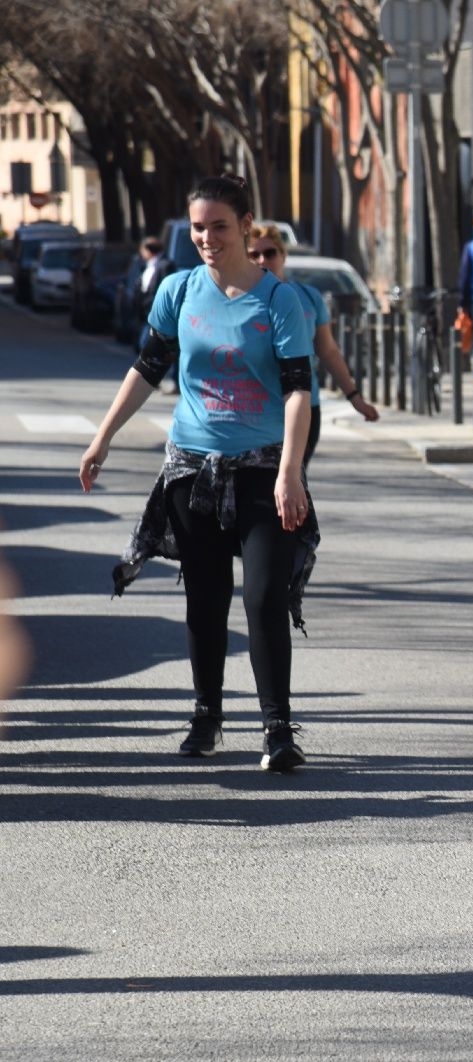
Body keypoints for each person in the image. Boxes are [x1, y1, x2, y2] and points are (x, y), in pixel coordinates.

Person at [79, 175, 318, 773]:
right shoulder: (179, 290)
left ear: (245, 224)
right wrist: (101, 437)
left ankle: (278, 729)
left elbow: (297, 393)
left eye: (218, 225)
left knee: (265, 596)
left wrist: (291, 472)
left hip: (263, 469)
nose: (207, 238)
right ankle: (206, 715)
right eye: (198, 228)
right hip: (191, 469)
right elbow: (147, 368)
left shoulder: (277, 300)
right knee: (206, 598)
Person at [246, 224, 380, 462]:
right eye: (254, 254)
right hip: (257, 410)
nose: (262, 260)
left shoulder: (308, 297)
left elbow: (328, 351)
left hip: (305, 407)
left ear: (283, 256)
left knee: (293, 483)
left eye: (270, 253)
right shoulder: (240, 300)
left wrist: (355, 398)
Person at [135, 237, 172, 355]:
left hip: (156, 312)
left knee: (146, 344)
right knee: (144, 344)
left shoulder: (165, 265)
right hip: (146, 312)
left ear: (148, 250)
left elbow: (164, 290)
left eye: (142, 250)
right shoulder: (148, 265)